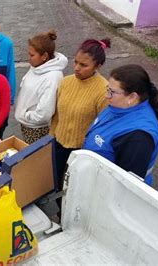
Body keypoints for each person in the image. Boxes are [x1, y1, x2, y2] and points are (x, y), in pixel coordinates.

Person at [83, 64, 158, 185]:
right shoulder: (118, 105)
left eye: (112, 92)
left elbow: (124, 185)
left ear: (132, 97)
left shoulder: (138, 138)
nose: (106, 96)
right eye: (107, 89)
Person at [49, 38, 111, 189]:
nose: (76, 68)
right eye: (75, 62)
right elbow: (56, 115)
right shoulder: (65, 82)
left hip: (81, 151)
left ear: (98, 66)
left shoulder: (104, 91)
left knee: (73, 188)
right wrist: (51, 138)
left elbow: (102, 128)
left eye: (83, 65)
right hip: (58, 144)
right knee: (56, 183)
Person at [14, 29, 68, 144]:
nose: (29, 58)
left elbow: (44, 113)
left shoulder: (52, 77)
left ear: (44, 56)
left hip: (37, 129)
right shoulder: (37, 66)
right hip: (27, 124)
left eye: (32, 55)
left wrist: (25, 115)